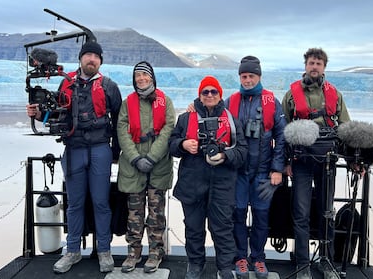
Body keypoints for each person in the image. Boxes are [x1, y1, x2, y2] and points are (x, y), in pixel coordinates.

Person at [26, 41, 122, 273]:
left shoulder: (109, 86)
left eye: (96, 56)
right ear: (81, 58)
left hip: (100, 149)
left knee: (101, 202)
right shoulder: (66, 83)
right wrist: (38, 114)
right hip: (74, 149)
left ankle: (104, 251)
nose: (92, 59)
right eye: (88, 55)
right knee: (75, 203)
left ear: (101, 61)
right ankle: (72, 251)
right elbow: (55, 114)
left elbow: (120, 121)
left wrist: (116, 153)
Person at [169, 76, 248, 279]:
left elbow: (242, 152)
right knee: (193, 228)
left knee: (222, 229)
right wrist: (183, 145)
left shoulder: (231, 120)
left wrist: (225, 155)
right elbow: (171, 145)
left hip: (222, 184)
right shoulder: (185, 118)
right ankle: (195, 264)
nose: (210, 95)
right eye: (206, 92)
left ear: (220, 95)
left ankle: (224, 267)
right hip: (192, 183)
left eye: (214, 92)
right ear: (200, 95)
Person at [282, 48, 351, 279]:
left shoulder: (335, 94)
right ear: (305, 65)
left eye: (318, 63)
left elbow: (346, 129)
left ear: (324, 67)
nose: (314, 66)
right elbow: (283, 131)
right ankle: (303, 265)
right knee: (300, 213)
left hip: (327, 162)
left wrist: (356, 161)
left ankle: (326, 260)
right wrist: (285, 163)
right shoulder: (291, 95)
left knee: (327, 212)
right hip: (301, 162)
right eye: (311, 62)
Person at [227, 56, 286, 279]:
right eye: (244, 76)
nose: (248, 80)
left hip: (263, 173)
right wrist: (194, 105)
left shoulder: (272, 101)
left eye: (251, 76)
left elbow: (281, 136)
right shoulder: (231, 101)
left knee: (261, 216)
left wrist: (277, 168)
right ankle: (241, 257)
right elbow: (214, 116)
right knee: (238, 215)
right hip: (239, 172)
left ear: (259, 76)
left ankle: (259, 258)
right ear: (240, 77)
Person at [117, 61, 175, 273]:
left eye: (145, 75)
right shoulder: (127, 103)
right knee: (134, 212)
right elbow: (122, 131)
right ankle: (133, 251)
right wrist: (135, 157)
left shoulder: (165, 101)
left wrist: (151, 157)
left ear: (152, 77)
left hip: (158, 165)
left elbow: (169, 129)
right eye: (137, 76)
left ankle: (155, 252)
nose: (141, 79)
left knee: (156, 212)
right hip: (133, 167)